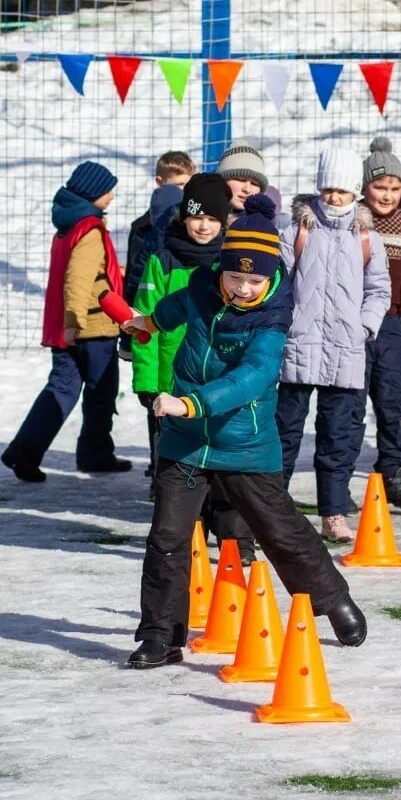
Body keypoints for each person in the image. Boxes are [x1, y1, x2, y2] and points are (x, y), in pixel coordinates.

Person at [121, 194, 367, 668]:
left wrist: (192, 403)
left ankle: (332, 598)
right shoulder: (202, 286)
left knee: (280, 531)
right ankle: (160, 635)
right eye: (236, 277)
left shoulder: (273, 317)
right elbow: (176, 306)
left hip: (243, 441)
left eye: (256, 279)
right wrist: (147, 323)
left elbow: (251, 377)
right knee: (167, 539)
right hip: (187, 444)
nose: (245, 288)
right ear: (221, 270)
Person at [130, 173, 256, 562]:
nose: (203, 226)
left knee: (229, 466)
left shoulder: (230, 264)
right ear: (184, 216)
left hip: (217, 385)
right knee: (181, 470)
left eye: (213, 220)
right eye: (196, 217)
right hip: (171, 385)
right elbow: (144, 323)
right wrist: (147, 380)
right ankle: (188, 539)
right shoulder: (161, 261)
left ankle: (237, 542)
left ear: (224, 222)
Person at [276, 147, 392, 541]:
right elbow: (278, 287)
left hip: (346, 349)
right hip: (298, 345)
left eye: (342, 191)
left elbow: (379, 290)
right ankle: (272, 508)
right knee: (285, 431)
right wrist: (286, 325)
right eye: (328, 189)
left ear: (355, 192)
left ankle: (333, 512)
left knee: (337, 436)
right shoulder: (295, 233)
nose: (334, 198)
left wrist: (364, 326)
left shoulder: (367, 239)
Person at [1, 161, 131, 482]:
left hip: (67, 325)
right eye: (108, 190)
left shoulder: (68, 224)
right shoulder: (89, 229)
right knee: (101, 391)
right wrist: (75, 320)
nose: (112, 196)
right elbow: (79, 278)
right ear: (93, 193)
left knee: (62, 388)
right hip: (92, 325)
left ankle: (25, 450)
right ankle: (95, 453)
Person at [356, 137, 401, 511]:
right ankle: (342, 475)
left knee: (394, 399)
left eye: (395, 188)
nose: (387, 195)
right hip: (357, 323)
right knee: (352, 402)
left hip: (392, 322)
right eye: (380, 187)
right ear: (365, 188)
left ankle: (394, 473)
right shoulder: (356, 220)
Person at [122, 150, 195, 354]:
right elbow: (134, 277)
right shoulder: (142, 228)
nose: (183, 192)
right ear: (159, 181)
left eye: (187, 185)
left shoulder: (194, 225)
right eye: (178, 185)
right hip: (149, 314)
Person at [216, 138, 269, 223]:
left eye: (254, 183)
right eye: (241, 180)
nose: (247, 189)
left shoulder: (266, 227)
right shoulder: (197, 215)